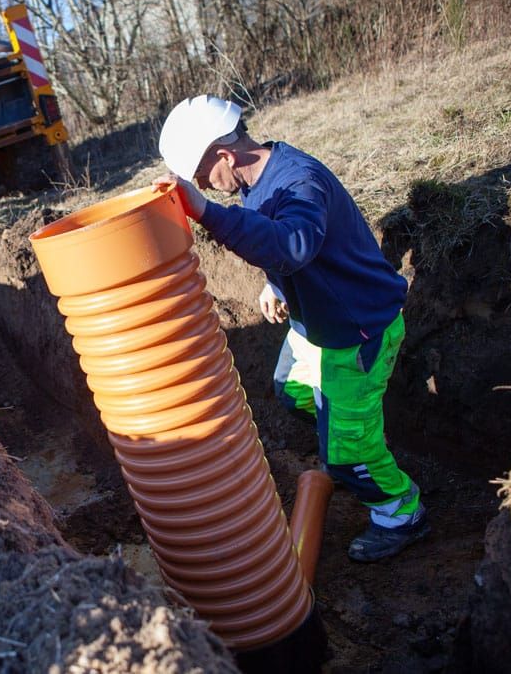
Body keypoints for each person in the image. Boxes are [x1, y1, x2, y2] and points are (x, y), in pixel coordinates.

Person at [154, 94, 428, 562]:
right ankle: (351, 434)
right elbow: (281, 243)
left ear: (225, 155)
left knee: (345, 456)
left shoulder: (300, 180)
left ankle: (400, 511)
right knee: (290, 390)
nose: (205, 186)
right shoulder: (255, 179)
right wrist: (275, 284)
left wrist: (205, 211)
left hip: (354, 330)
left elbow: (294, 242)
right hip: (314, 321)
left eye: (203, 177)